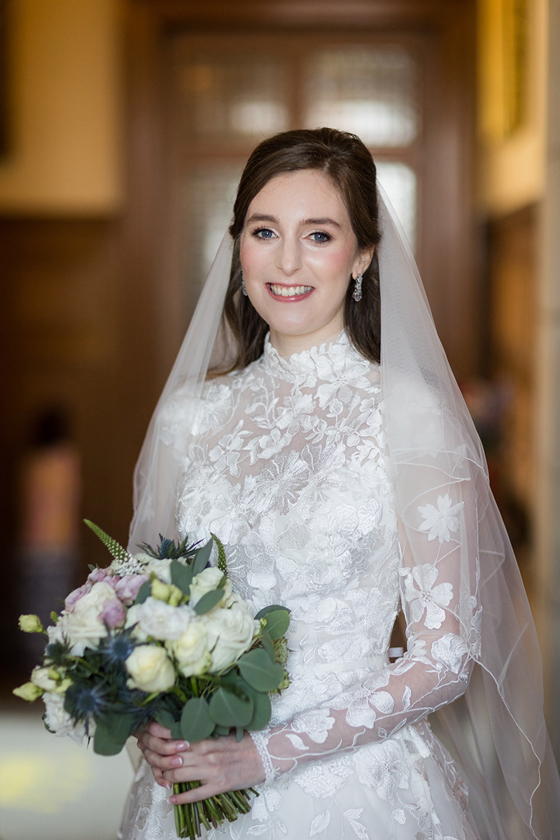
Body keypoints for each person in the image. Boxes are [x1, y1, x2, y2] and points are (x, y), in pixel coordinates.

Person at [119, 128, 560, 840]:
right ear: (238, 246)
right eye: (265, 231)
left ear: (362, 254)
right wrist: (150, 712)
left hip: (350, 791)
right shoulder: (189, 418)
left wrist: (264, 755)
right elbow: (143, 603)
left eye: (318, 235)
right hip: (193, 785)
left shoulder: (411, 419)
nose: (287, 261)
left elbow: (443, 658)